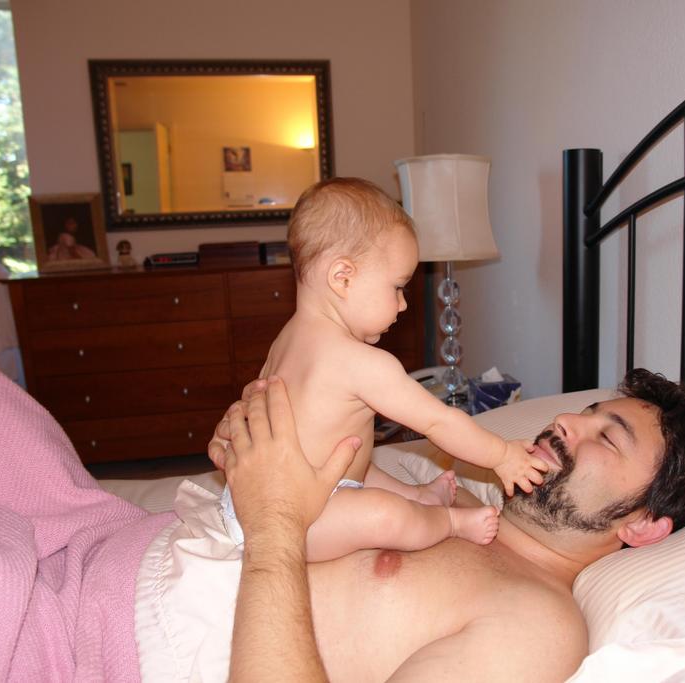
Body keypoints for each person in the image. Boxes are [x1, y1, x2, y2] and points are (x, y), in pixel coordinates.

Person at [212, 367, 685, 681]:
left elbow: (281, 520)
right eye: (586, 412)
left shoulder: (539, 627)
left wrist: (273, 519)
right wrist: (255, 457)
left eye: (609, 437)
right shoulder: (447, 502)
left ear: (643, 526)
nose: (566, 421)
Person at [219, 177, 549, 560]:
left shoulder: (286, 339)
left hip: (253, 495)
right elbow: (439, 422)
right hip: (290, 522)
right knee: (381, 513)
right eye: (397, 287)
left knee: (351, 450)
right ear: (343, 278)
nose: (404, 304)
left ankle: (417, 495)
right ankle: (449, 522)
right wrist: (502, 455)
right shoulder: (360, 363)